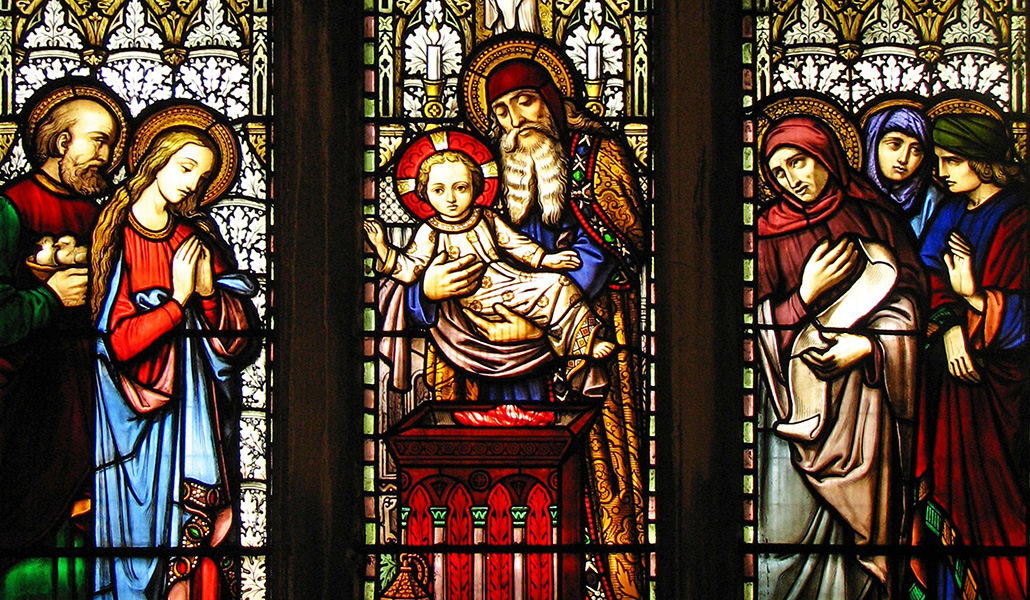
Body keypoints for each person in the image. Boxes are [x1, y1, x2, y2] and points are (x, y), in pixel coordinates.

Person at [402, 40, 648, 599]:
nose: (516, 123)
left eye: (526, 104)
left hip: (574, 327)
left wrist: (543, 315)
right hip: (477, 349)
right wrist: (429, 293)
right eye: (503, 113)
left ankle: (592, 581)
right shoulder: (470, 179)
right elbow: (422, 277)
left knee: (586, 470)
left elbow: (615, 241)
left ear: (555, 101)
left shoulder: (594, 158)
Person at [754, 115, 925, 599]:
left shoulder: (876, 219)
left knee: (860, 559)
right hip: (790, 418)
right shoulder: (763, 236)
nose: (793, 179)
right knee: (782, 534)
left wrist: (869, 347)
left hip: (869, 414)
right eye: (779, 172)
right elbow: (752, 333)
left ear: (827, 155)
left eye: (800, 162)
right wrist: (804, 296)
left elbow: (913, 304)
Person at [90, 103, 255, 600]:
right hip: (123, 419)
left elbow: (241, 338)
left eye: (202, 178)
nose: (192, 186)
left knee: (188, 539)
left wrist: (206, 295)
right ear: (154, 161)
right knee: (129, 546)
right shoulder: (111, 234)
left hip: (191, 418)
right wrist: (177, 302)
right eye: (185, 168)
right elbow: (115, 341)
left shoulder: (196, 237)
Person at [0, 79, 128, 597]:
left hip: (95, 392)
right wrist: (50, 299)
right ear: (60, 144)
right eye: (98, 142)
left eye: (112, 146)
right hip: (27, 403)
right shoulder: (12, 209)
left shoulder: (102, 216)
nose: (108, 156)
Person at [367, 132, 613, 400]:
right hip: (475, 300)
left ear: (476, 188)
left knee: (558, 283)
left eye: (460, 187)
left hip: (508, 278)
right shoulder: (430, 231)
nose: (450, 198)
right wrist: (386, 253)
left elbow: (515, 244)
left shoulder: (486, 217)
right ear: (424, 194)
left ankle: (584, 342)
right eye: (439, 190)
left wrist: (546, 259)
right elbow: (411, 267)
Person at [911, 113, 1027, 600]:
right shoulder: (951, 214)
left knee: (1002, 514)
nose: (942, 171)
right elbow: (927, 284)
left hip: (1006, 398)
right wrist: (950, 326)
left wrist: (976, 301)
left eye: (953, 160)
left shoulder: (1021, 218)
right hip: (952, 393)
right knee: (948, 498)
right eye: (938, 160)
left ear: (985, 159)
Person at [863, 103, 944, 239]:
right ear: (873, 143)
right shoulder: (852, 196)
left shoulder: (933, 201)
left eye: (916, 150)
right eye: (895, 144)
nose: (903, 159)